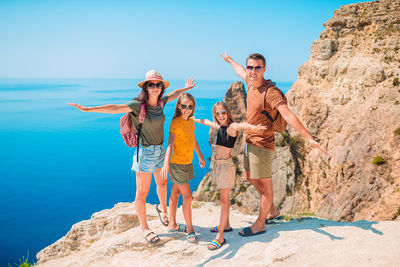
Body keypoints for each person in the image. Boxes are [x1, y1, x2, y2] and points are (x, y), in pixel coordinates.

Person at [68, 70, 196, 244]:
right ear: (146, 87)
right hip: (144, 153)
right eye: (151, 84)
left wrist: (185, 88)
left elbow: (173, 94)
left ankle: (162, 208)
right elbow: (115, 108)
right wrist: (89, 109)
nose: (155, 87)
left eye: (158, 85)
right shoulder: (138, 105)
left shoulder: (161, 102)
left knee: (163, 183)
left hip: (159, 150)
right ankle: (144, 228)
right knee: (142, 192)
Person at [221, 53, 328, 237]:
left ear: (264, 69)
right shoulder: (250, 81)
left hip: (262, 145)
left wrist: (308, 137)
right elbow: (239, 71)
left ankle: (260, 224)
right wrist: (230, 60)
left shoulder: (270, 92)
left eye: (257, 67)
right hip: (250, 141)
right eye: (250, 67)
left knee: (266, 188)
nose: (253, 71)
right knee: (250, 177)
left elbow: (287, 114)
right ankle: (272, 212)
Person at [192, 101, 267, 250]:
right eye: (218, 113)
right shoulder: (220, 127)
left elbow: (241, 125)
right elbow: (206, 122)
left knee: (223, 201)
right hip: (218, 166)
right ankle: (225, 225)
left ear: (228, 113)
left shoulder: (231, 127)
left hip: (225, 167)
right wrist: (191, 118)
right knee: (222, 199)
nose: (221, 115)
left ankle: (220, 236)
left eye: (223, 112)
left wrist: (253, 127)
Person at [160, 93, 205, 243]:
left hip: (187, 162)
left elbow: (193, 141)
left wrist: (200, 156)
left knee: (175, 192)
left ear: (193, 108)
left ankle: (172, 224)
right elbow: (170, 144)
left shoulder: (190, 122)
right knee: (187, 197)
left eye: (190, 106)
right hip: (177, 164)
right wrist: (166, 164)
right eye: (184, 106)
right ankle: (190, 229)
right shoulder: (175, 123)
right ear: (178, 106)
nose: (187, 109)